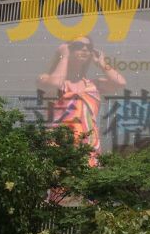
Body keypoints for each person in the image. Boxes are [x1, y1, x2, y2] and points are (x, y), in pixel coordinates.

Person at [37, 36, 126, 165]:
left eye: (88, 47)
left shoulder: (93, 85)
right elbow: (55, 84)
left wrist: (102, 64)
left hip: (88, 143)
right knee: (57, 176)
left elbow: (120, 83)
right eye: (78, 46)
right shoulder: (46, 78)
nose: (84, 49)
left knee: (87, 175)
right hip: (58, 142)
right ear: (68, 49)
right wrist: (64, 56)